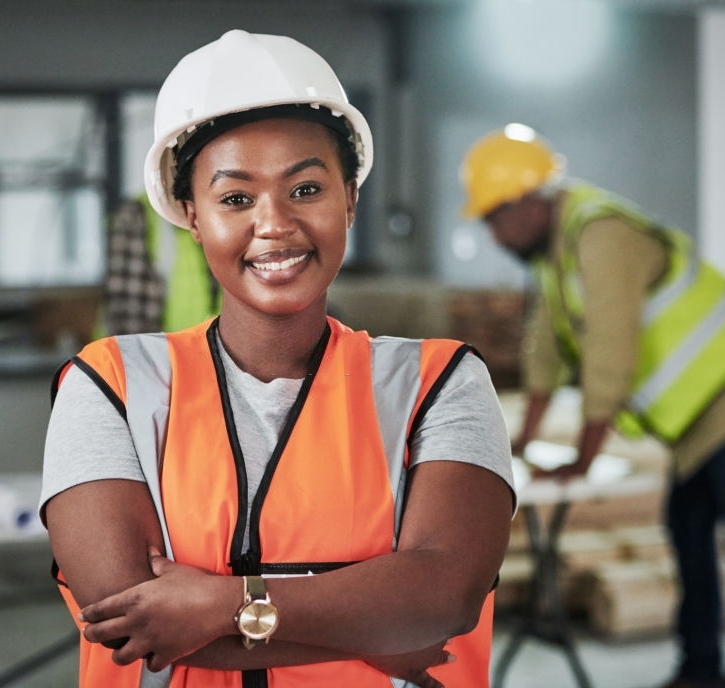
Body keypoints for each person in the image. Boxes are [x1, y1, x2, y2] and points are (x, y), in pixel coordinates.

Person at [40, 30, 516, 688]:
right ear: (192, 214)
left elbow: (444, 597)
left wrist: (219, 603)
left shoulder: (442, 382)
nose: (274, 224)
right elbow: (129, 621)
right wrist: (371, 631)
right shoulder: (110, 385)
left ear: (350, 198)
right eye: (236, 198)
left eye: (306, 189)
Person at [459, 123, 725, 688]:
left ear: (527, 203)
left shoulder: (601, 232)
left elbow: (611, 350)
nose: (495, 237)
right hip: (698, 421)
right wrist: (524, 442)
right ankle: (700, 671)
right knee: (688, 532)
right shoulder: (553, 258)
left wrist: (583, 458)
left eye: (494, 219)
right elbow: (546, 354)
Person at [104, 191, 220, 335]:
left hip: (205, 351)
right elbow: (131, 322)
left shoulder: (216, 210)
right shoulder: (136, 216)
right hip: (162, 353)